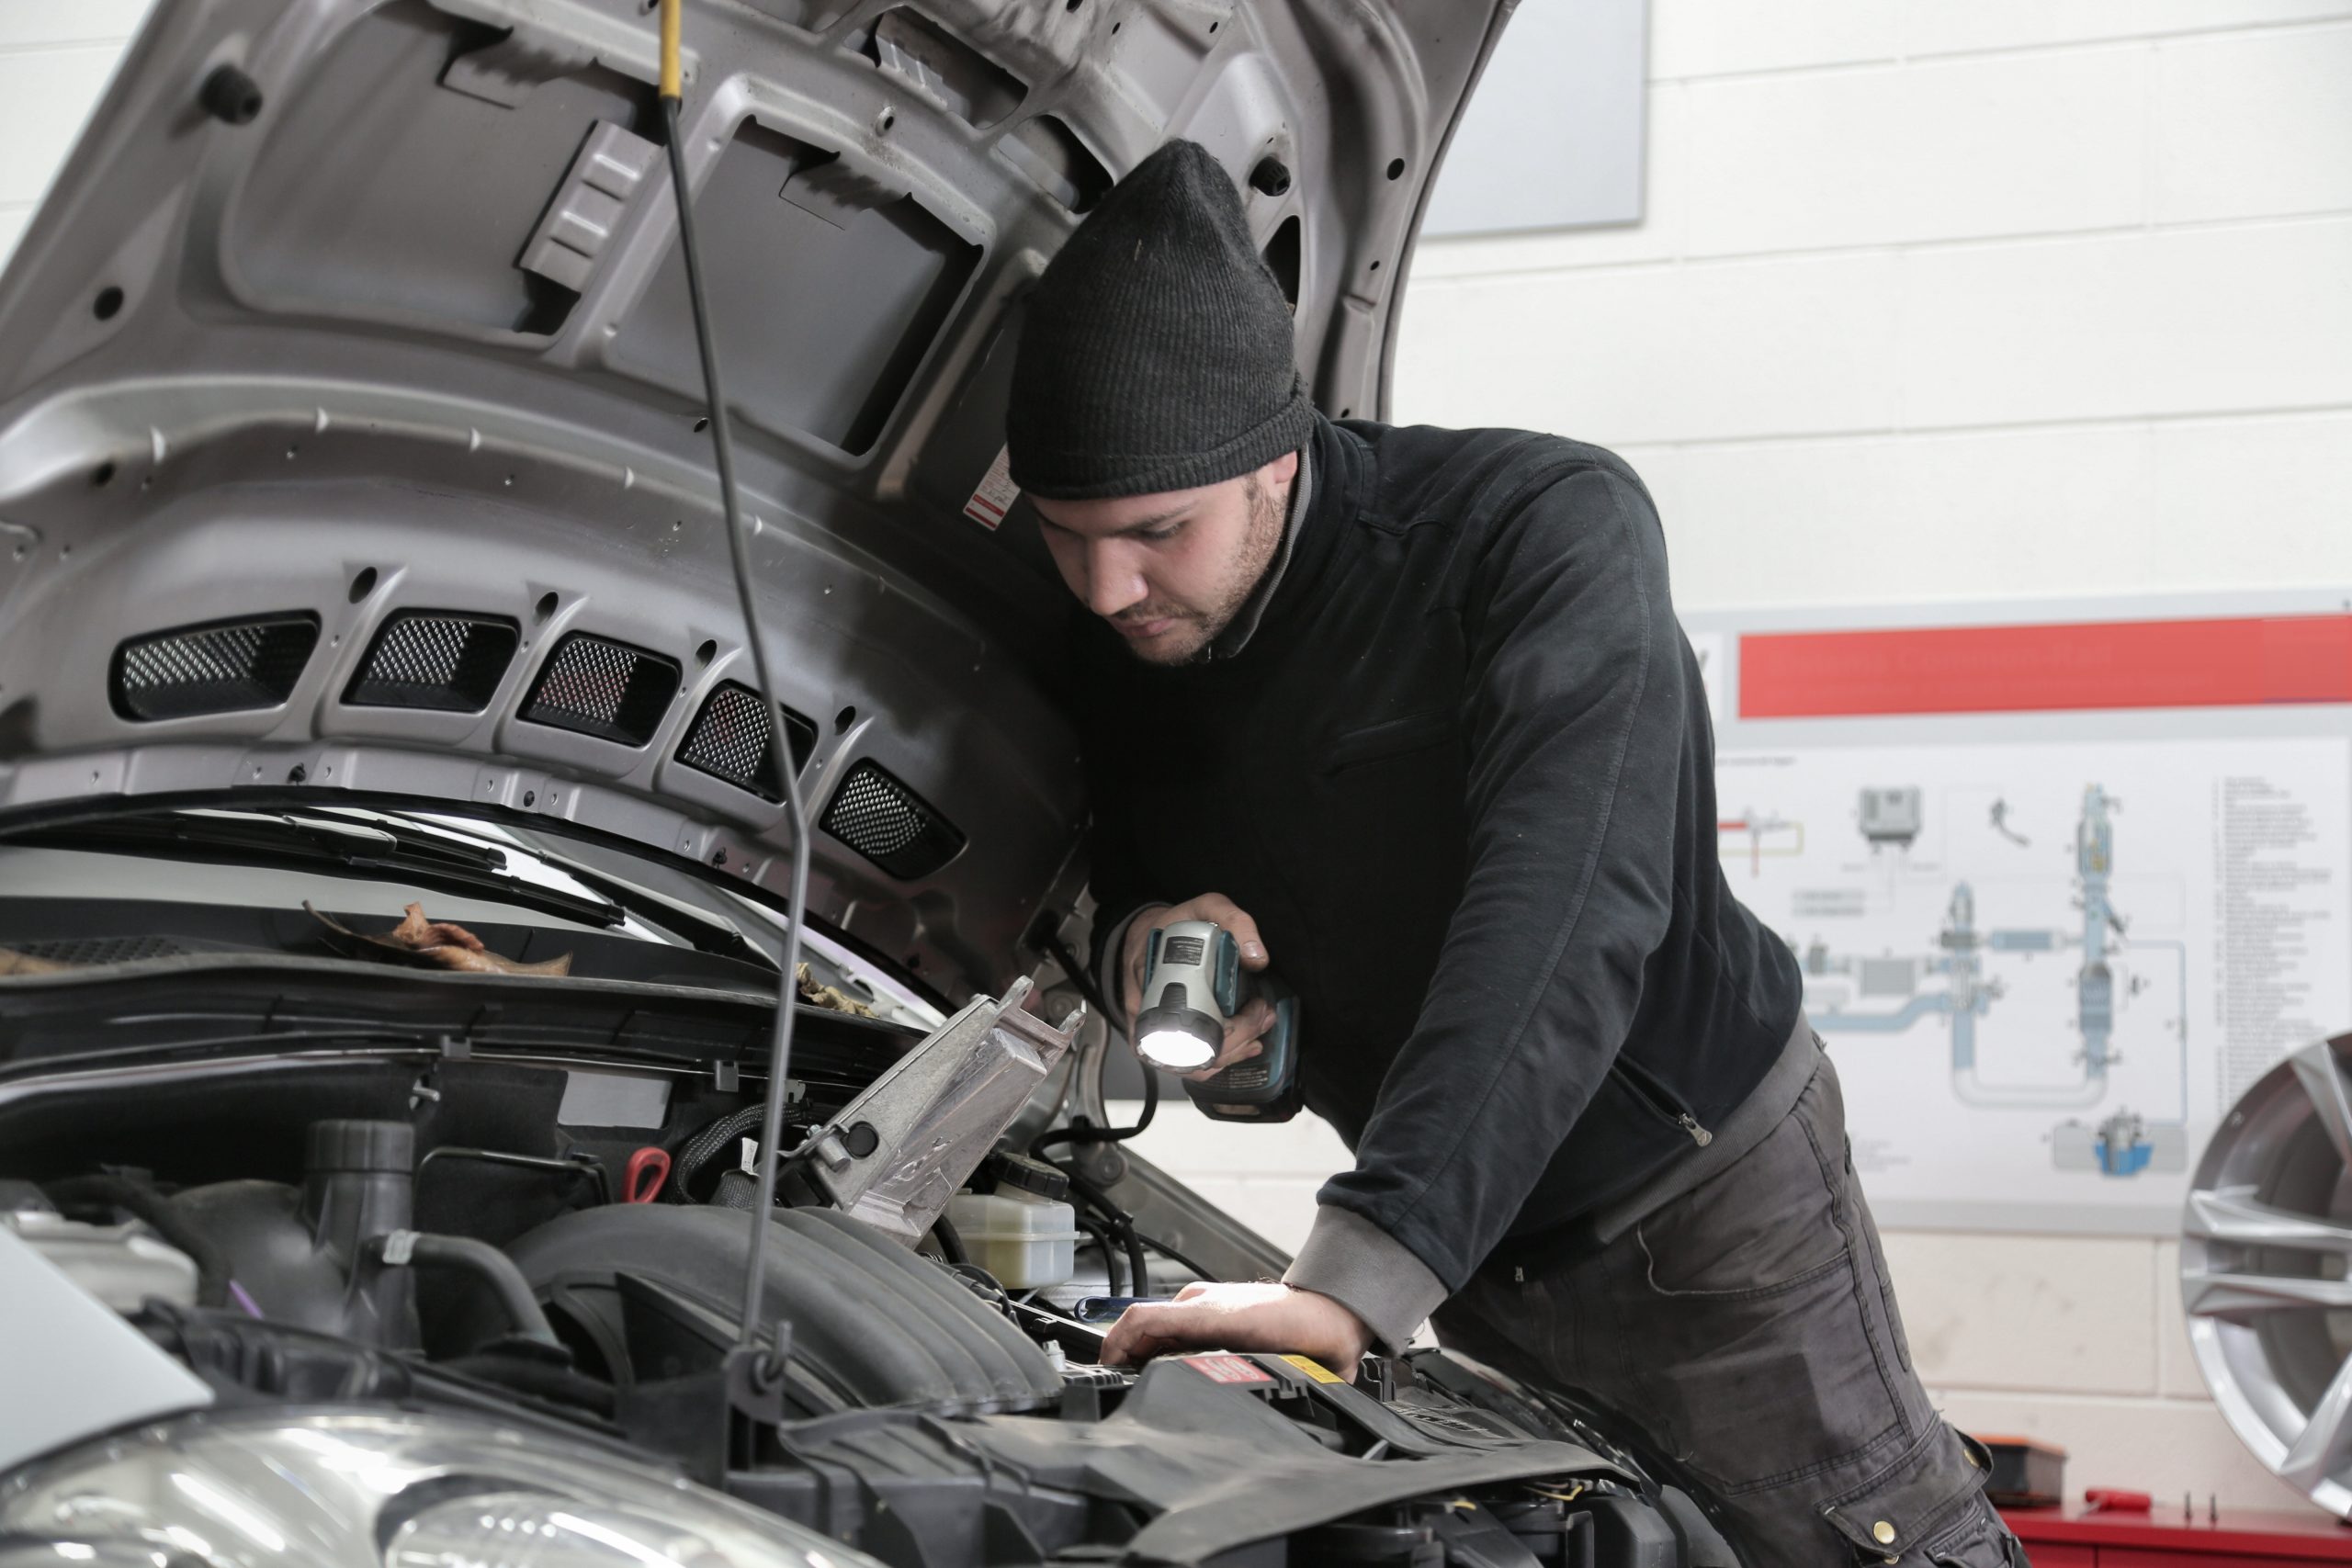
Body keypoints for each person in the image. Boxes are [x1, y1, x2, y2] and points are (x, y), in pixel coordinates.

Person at [1001, 140, 2019, 1568]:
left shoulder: (1533, 535)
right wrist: (1147, 961)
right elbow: (1090, 870)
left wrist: (1353, 1280)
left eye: (1157, 533)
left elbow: (1567, 909)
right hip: (1464, 1247)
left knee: (1858, 1547)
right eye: (1066, 537)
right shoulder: (1117, 636)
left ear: (1277, 456)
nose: (1109, 588)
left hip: (1702, 1212)